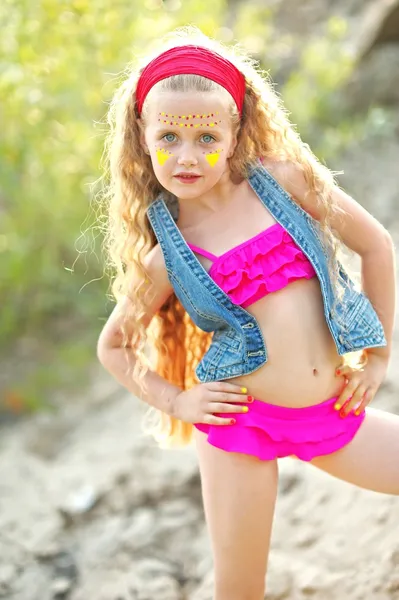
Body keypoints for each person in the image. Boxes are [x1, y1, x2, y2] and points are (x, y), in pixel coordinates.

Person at [96, 27, 398, 600]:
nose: (187, 156)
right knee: (239, 590)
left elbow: (376, 245)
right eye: (169, 138)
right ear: (143, 136)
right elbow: (113, 347)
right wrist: (178, 400)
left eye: (207, 135)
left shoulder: (282, 183)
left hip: (332, 410)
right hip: (240, 427)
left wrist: (378, 357)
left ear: (235, 133)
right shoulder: (166, 256)